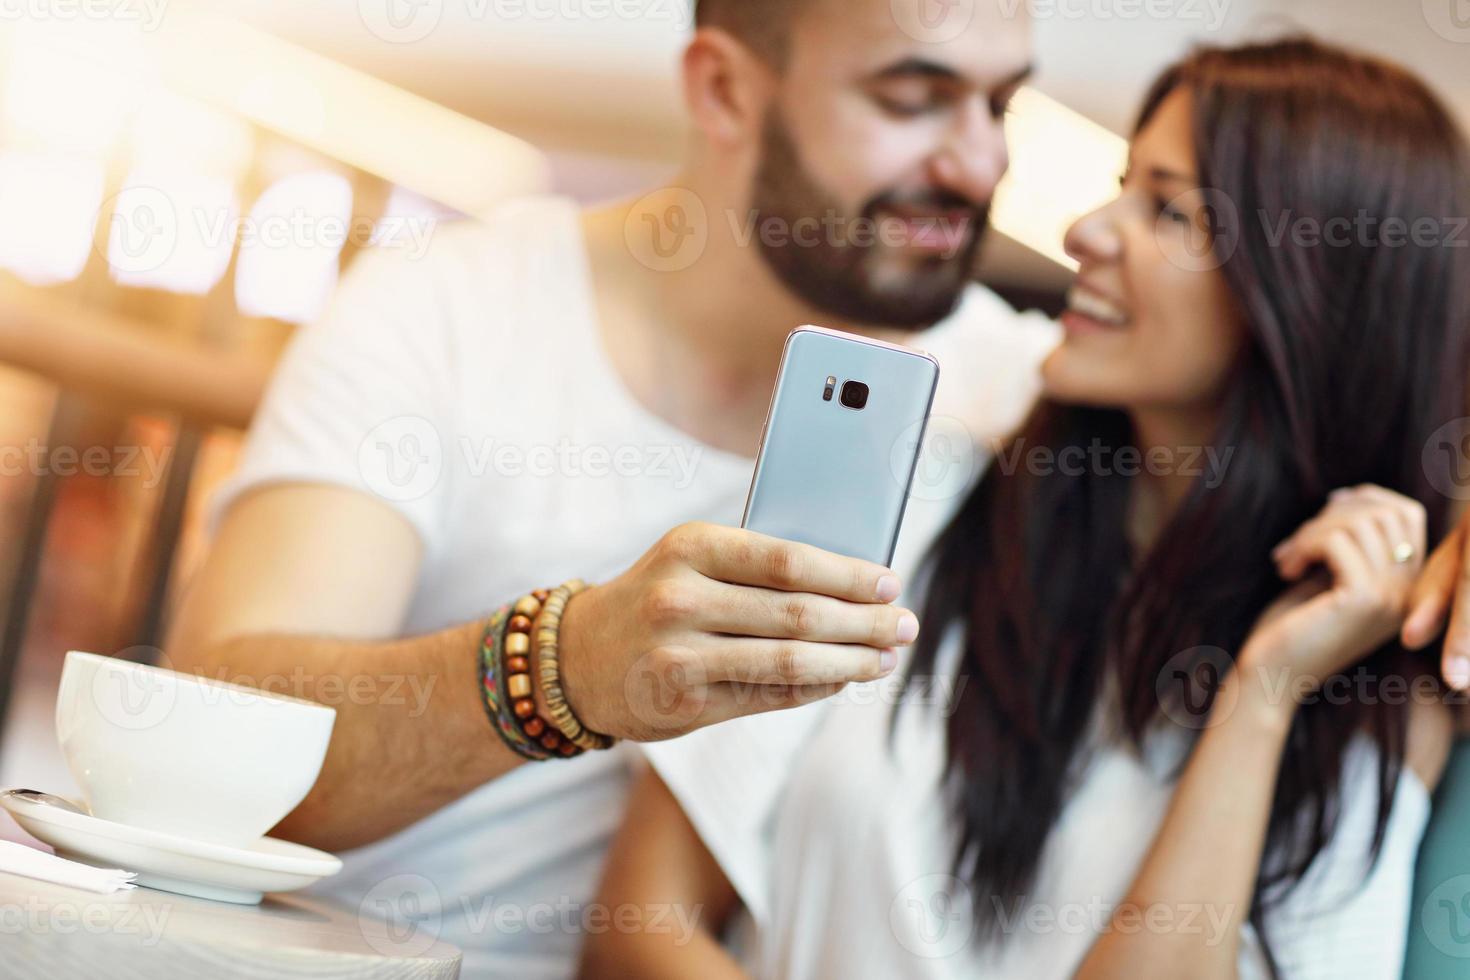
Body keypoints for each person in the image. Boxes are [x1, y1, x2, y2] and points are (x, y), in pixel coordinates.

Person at [166, 0, 1052, 974]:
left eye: (1001, 105)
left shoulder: (1018, 392)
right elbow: (218, 742)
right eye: (915, 100)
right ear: (722, 89)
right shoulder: (449, 308)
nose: (978, 164)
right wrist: (568, 665)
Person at [585, 38, 1470, 979]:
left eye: (1167, 209)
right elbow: (640, 926)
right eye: (1122, 185)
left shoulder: (1373, 690)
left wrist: (1262, 697)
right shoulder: (926, 479)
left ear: (1315, 293)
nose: (1087, 229)